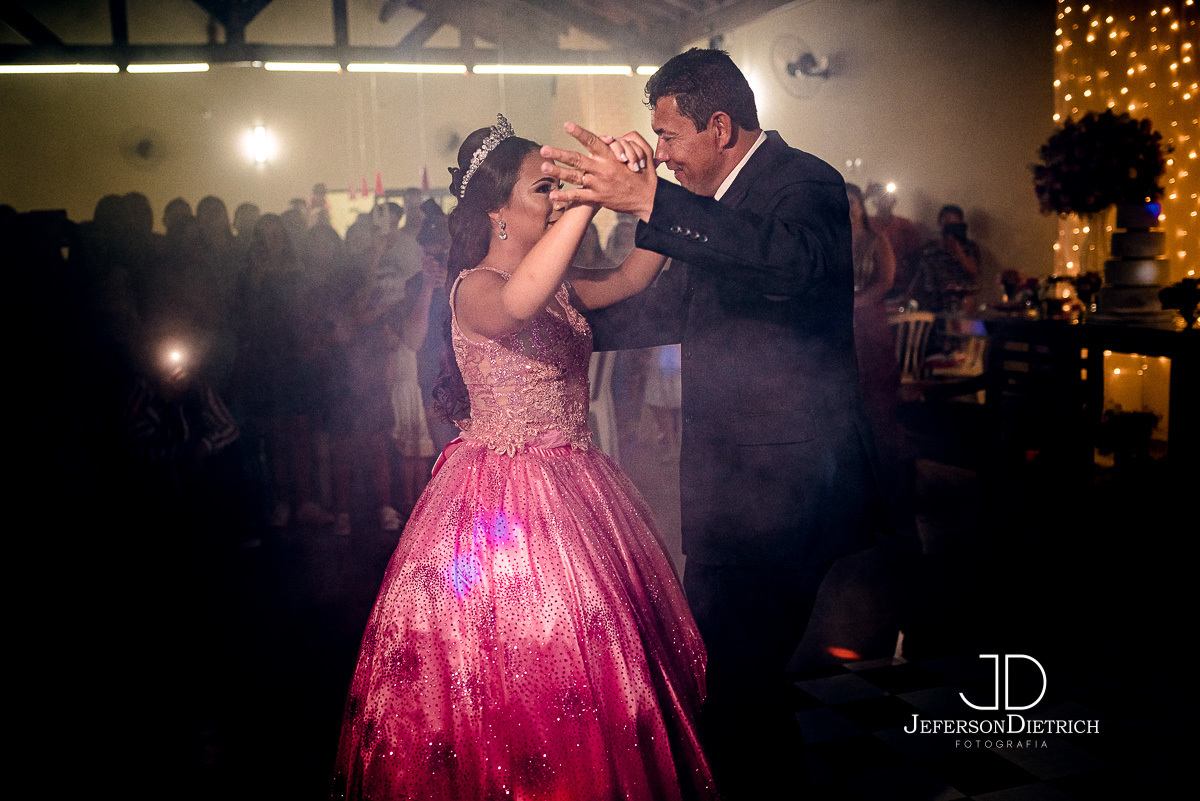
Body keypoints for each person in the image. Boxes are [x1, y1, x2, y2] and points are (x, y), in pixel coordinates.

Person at [541, 48, 905, 799]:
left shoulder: (802, 182)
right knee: (730, 678)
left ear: (719, 126)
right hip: (730, 489)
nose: (663, 156)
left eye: (669, 139)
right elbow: (674, 308)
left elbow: (789, 264)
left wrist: (648, 203)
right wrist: (552, 326)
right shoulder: (716, 208)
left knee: (735, 677)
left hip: (788, 488)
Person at [333, 115, 715, 801]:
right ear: (496, 210)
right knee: (510, 664)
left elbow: (632, 276)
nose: (561, 195)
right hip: (498, 508)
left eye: (561, 185)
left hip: (578, 484)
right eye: (547, 187)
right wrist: (587, 202)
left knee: (598, 661)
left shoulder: (562, 283)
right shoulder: (474, 287)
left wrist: (646, 189)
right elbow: (518, 301)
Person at [913, 203, 981, 315]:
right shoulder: (929, 248)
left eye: (955, 225)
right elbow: (919, 275)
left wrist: (959, 251)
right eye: (948, 224)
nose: (951, 228)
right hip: (932, 306)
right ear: (940, 223)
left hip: (960, 307)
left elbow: (974, 270)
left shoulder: (970, 247)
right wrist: (907, 297)